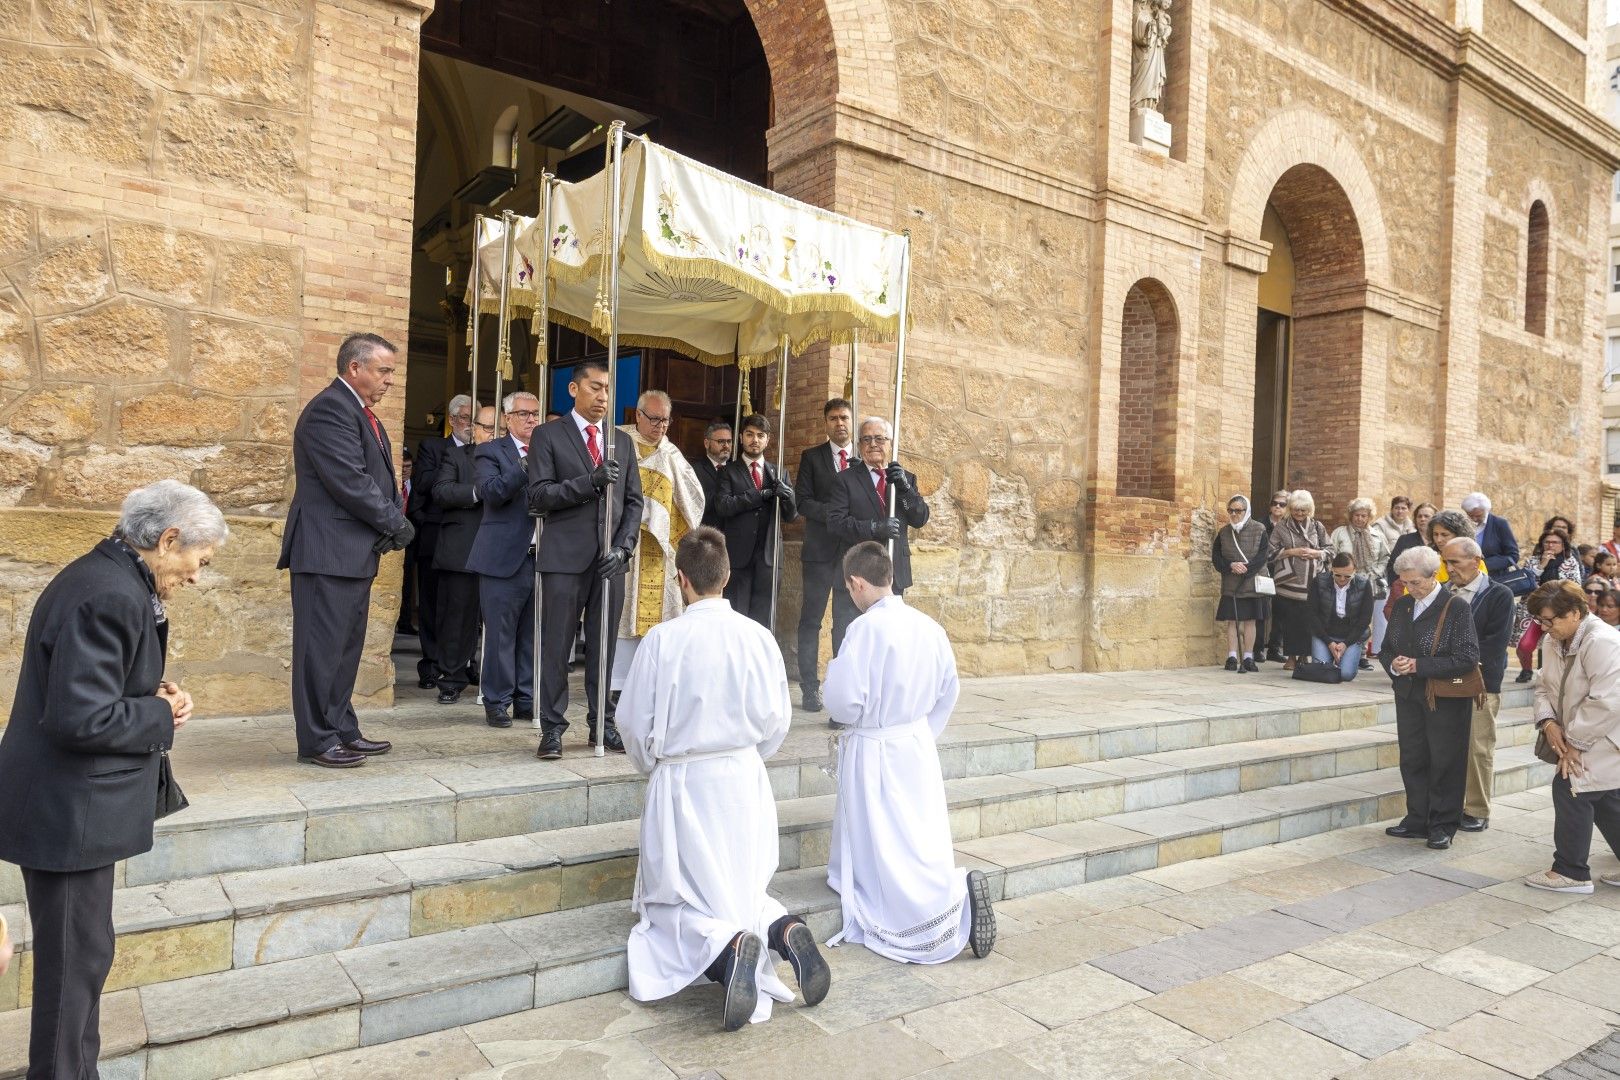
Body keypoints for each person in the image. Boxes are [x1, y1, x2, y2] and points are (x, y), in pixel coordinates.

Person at [0, 480, 226, 1077]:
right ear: (168, 539)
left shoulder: (108, 577)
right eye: (198, 563)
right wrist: (160, 712)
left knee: (83, 957)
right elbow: (78, 717)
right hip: (66, 811)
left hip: (67, 806)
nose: (197, 577)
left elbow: (81, 690)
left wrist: (145, 693)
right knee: (74, 964)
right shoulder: (112, 594)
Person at [617, 527, 829, 1030]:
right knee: (741, 886)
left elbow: (630, 721)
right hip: (743, 778)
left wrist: (655, 766)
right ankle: (784, 929)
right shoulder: (758, 637)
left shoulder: (663, 640)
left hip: (684, 781)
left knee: (675, 900)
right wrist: (748, 756)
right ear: (728, 576)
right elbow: (779, 718)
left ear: (680, 580)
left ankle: (732, 950)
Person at [824, 541, 995, 963]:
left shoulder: (864, 630)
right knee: (917, 834)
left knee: (885, 842)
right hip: (915, 745)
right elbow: (948, 690)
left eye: (850, 589)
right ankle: (948, 891)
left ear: (857, 582)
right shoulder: (928, 626)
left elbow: (844, 701)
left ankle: (944, 905)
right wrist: (920, 734)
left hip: (875, 747)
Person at [278, 332, 407, 768]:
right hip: (326, 550)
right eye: (384, 370)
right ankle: (316, 739)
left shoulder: (361, 412)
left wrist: (389, 522)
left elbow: (377, 478)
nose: (390, 380)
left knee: (344, 649)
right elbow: (350, 481)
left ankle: (341, 727)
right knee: (321, 649)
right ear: (356, 368)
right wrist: (396, 523)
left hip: (352, 551)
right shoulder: (331, 410)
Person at [527, 359, 644, 759]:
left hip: (609, 561)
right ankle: (553, 727)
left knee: (604, 648)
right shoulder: (548, 435)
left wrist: (624, 548)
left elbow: (634, 502)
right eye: (595, 387)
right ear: (574, 390)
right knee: (557, 646)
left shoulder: (622, 441)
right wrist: (589, 482)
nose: (603, 396)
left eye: (608, 389)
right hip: (563, 558)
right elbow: (539, 496)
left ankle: (603, 724)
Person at [1380, 545, 1481, 850]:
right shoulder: (1402, 605)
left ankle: (1443, 824)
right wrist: (1395, 665)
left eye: (1416, 582)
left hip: (1445, 698)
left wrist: (1419, 665)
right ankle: (1417, 819)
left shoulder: (1456, 607)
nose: (1410, 588)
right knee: (1412, 757)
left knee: (1445, 760)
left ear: (1433, 575)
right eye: (1405, 583)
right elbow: (1386, 648)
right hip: (1409, 694)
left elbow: (1468, 656)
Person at [1523, 581, 1620, 893]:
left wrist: (1575, 745)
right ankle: (1571, 869)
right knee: (1605, 797)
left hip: (1604, 735)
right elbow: (1543, 686)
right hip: (1578, 732)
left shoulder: (1603, 641)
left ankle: (1571, 871)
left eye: (1551, 620)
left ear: (1576, 613)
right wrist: (1548, 721)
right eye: (1540, 621)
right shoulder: (1555, 639)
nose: (1545, 627)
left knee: (1571, 787)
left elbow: (1607, 701)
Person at [612, 390, 706, 691]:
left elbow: (694, 499)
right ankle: (615, 684)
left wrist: (658, 514)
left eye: (665, 420)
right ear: (637, 415)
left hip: (657, 549)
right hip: (621, 545)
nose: (660, 427)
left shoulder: (671, 454)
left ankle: (654, 683)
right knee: (620, 616)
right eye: (654, 419)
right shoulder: (616, 441)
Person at [465, 392, 543, 728]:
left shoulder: (549, 452)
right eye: (524, 414)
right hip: (502, 556)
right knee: (500, 634)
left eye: (535, 414)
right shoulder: (489, 452)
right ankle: (497, 700)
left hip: (542, 557)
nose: (531, 420)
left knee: (532, 633)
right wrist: (525, 466)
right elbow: (492, 492)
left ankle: (526, 698)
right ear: (507, 418)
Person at [1442, 537, 1515, 834]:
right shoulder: (1444, 592)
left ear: (1476, 560)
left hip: (1481, 682)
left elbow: (1495, 644)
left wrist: (1454, 663)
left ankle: (1476, 809)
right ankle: (1450, 804)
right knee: (1447, 746)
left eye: (1454, 563)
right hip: (1445, 679)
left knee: (1477, 747)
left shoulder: (1499, 594)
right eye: (1445, 562)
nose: (1448, 569)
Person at [427, 404, 493, 705]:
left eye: (500, 429)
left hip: (501, 549)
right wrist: (478, 492)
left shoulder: (516, 459)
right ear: (475, 429)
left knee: (496, 619)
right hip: (462, 548)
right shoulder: (456, 456)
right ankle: (451, 678)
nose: (494, 434)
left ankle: (487, 673)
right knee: (458, 618)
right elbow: (441, 492)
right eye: (488, 428)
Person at [794, 398, 857, 712]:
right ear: (825, 423)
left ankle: (839, 688)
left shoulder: (860, 460)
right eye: (833, 419)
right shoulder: (812, 457)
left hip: (850, 556)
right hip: (819, 552)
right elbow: (802, 502)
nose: (839, 424)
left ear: (851, 420)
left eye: (844, 417)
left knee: (845, 624)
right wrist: (834, 514)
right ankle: (809, 688)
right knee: (811, 621)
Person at [409, 393, 475, 689]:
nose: (470, 425)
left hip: (470, 538)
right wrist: (456, 463)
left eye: (475, 420)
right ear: (451, 420)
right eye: (464, 418)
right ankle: (431, 663)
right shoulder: (434, 447)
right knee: (434, 604)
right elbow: (423, 484)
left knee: (466, 606)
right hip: (436, 535)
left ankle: (463, 662)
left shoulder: (485, 452)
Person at [827, 417, 930, 598]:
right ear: (859, 445)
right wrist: (874, 527)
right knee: (850, 627)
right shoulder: (844, 479)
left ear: (890, 443)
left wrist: (905, 489)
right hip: (858, 575)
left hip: (894, 571)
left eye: (879, 438)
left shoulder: (905, 479)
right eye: (866, 439)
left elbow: (919, 519)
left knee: (891, 627)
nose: (873, 444)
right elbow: (835, 523)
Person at [715, 414, 798, 627]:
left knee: (764, 620)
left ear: (767, 439)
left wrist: (788, 497)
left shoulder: (779, 472)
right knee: (736, 618)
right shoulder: (728, 471)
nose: (755, 440)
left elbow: (791, 516)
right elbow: (723, 506)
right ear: (741, 437)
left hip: (769, 558)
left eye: (760, 435)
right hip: (738, 558)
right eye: (750, 434)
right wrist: (758, 496)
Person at [1266, 489, 1331, 671]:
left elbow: (1331, 550)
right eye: (1296, 509)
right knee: (1290, 622)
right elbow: (1269, 553)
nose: (1299, 513)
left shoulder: (1318, 527)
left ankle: (1304, 656)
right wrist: (1290, 552)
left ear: (1309, 509)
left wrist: (1316, 553)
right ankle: (1291, 657)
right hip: (1288, 583)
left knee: (1308, 622)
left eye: (1303, 510)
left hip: (1312, 583)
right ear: (1290, 508)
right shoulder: (1281, 527)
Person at [1211, 494, 1270, 672]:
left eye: (1238, 510)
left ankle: (1248, 657)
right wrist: (1230, 566)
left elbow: (1263, 555)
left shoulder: (1259, 529)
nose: (1234, 514)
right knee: (1232, 621)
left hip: (1251, 582)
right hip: (1231, 582)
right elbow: (1216, 558)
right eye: (1231, 510)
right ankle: (1231, 657)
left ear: (1246, 511)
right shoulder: (1223, 532)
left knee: (1250, 621)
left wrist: (1246, 569)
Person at [1331, 498, 1389, 663]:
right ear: (1351, 515)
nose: (1360, 519)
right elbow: (1331, 554)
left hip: (1367, 581)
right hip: (1343, 581)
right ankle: (1340, 650)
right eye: (1357, 515)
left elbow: (1385, 557)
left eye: (1364, 515)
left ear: (1369, 517)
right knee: (1342, 615)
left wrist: (1376, 572)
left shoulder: (1377, 535)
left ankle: (1361, 653)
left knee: (1363, 619)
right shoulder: (1340, 533)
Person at [1307, 553, 1374, 681]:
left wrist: (1345, 644)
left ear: (1355, 571)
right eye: (1337, 575)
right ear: (1332, 569)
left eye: (1347, 576)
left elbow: (1365, 619)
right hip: (1324, 634)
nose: (1342, 579)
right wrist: (1329, 643)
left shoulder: (1364, 584)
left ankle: (1340, 659)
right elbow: (1312, 614)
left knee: (1346, 675)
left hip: (1351, 637)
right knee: (1322, 672)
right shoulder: (1319, 581)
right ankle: (1330, 658)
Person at [1260, 489, 1291, 662]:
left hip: (1283, 572)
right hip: (1264, 570)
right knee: (1261, 609)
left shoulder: (1289, 526)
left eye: (1282, 504)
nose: (1277, 507)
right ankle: (1258, 649)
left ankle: (1274, 648)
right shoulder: (1261, 524)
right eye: (1274, 503)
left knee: (1280, 611)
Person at [1461, 492, 1520, 577]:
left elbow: (1513, 555)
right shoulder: (1464, 525)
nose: (1474, 519)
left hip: (1495, 578)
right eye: (1470, 515)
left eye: (1478, 515)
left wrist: (1483, 564)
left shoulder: (1500, 524)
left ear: (1486, 510)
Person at [1385, 501, 1437, 590]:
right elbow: (1392, 567)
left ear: (1435, 519)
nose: (1422, 519)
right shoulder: (1404, 540)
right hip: (1407, 589)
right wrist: (1400, 586)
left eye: (1426, 516)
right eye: (1419, 516)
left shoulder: (1439, 541)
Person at [692, 420, 733, 530]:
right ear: (706, 443)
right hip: (707, 536)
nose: (726, 446)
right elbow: (696, 505)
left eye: (729, 441)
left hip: (734, 538)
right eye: (721, 441)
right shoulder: (694, 471)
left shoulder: (737, 470)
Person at [397, 448, 418, 636]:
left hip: (411, 543)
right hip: (391, 538)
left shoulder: (415, 486)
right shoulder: (392, 483)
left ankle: (405, 621)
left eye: (408, 467)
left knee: (408, 583)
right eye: (402, 466)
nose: (404, 470)